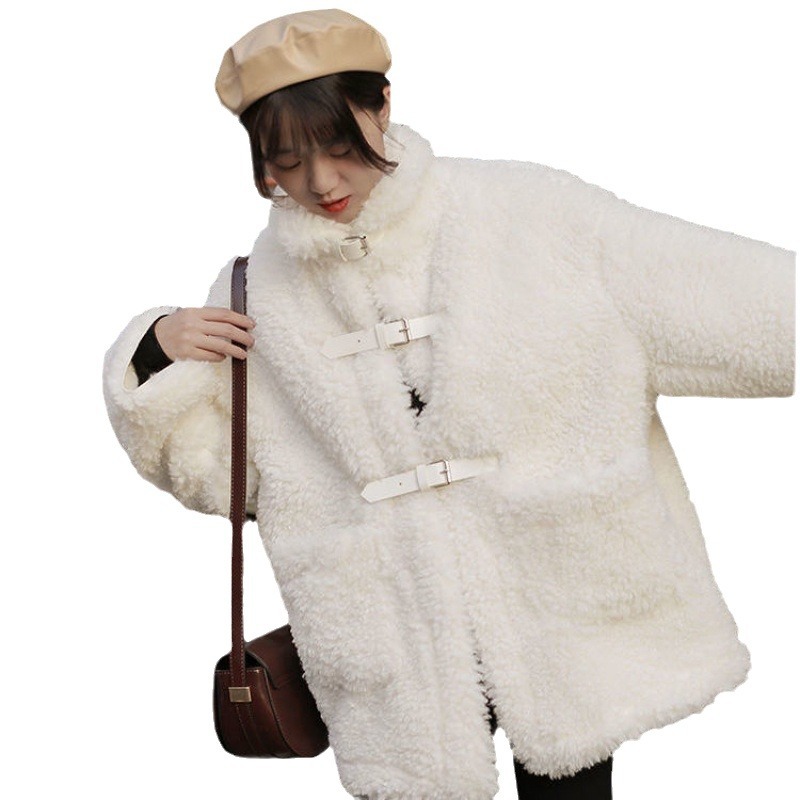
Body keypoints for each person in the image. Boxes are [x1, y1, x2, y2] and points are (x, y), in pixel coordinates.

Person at [102, 9, 795, 800]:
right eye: (287, 160)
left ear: (382, 105)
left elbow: (718, 295)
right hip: (392, 635)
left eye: (338, 146)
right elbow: (216, 479)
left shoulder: (530, 213)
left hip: (559, 602)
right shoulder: (254, 294)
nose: (321, 183)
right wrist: (156, 353)